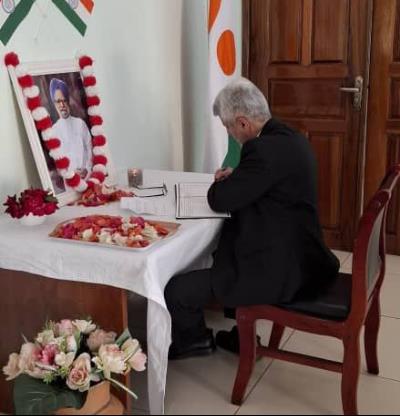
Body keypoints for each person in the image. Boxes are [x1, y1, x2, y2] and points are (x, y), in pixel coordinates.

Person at [164, 77, 340, 360]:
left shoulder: (262, 150)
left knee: (177, 289)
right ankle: (241, 332)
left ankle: (194, 340)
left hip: (279, 270)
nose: (230, 134)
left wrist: (223, 184)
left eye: (228, 127)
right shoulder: (289, 137)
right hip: (305, 257)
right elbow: (268, 181)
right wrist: (239, 178)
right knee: (223, 251)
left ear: (243, 123)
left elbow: (219, 199)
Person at [49, 78, 93, 179]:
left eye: (64, 100)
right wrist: (71, 173)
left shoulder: (80, 123)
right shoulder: (53, 131)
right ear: (54, 104)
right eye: (58, 101)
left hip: (87, 177)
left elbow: (89, 148)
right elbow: (57, 161)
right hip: (69, 181)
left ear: (68, 101)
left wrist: (87, 168)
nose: (62, 105)